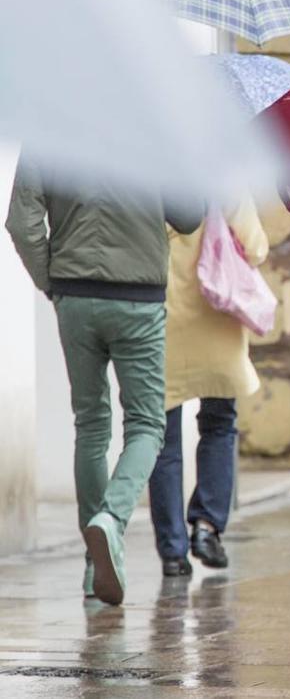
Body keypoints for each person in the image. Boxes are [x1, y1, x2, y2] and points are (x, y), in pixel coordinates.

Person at [6, 158, 201, 606]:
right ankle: (111, 520)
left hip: (75, 295)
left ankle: (96, 568)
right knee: (148, 425)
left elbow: (21, 221)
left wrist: (51, 281)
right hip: (138, 297)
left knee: (91, 423)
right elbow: (190, 216)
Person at [148, 196, 269, 578]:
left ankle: (172, 551)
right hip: (214, 312)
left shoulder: (141, 172)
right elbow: (255, 247)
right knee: (218, 425)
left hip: (160, 315)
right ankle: (207, 527)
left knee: (161, 440)